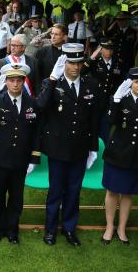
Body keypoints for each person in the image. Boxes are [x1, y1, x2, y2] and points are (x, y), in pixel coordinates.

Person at [36, 43, 101, 247]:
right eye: (71, 63)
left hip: (79, 148)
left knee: (74, 190)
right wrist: (53, 80)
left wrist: (93, 147)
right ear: (64, 62)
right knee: (56, 191)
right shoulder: (52, 83)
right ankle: (50, 229)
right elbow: (40, 106)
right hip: (57, 148)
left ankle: (70, 228)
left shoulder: (91, 85)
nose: (75, 67)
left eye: (79, 63)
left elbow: (93, 119)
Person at [0, 64, 41, 243]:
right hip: (0, 158)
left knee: (17, 198)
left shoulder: (31, 102)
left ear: (23, 81)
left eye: (19, 80)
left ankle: (12, 230)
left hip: (21, 158)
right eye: (12, 80)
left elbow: (36, 132)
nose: (16, 84)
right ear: (6, 82)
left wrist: (34, 157)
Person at [101, 68, 138, 245]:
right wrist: (115, 100)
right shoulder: (122, 100)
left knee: (128, 193)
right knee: (112, 191)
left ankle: (121, 227)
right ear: (130, 83)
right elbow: (110, 121)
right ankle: (109, 226)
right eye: (136, 81)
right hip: (117, 154)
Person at [85, 38, 122, 141]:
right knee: (93, 126)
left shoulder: (118, 63)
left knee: (106, 128)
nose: (109, 51)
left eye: (111, 49)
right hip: (95, 99)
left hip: (109, 101)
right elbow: (82, 71)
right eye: (106, 49)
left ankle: (104, 150)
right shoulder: (94, 61)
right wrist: (91, 57)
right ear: (100, 50)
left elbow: (120, 81)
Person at [34, 24, 67, 92]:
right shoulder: (42, 52)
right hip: (47, 90)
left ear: (64, 37)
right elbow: (37, 75)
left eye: (57, 34)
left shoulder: (70, 53)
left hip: (65, 91)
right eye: (52, 34)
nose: (53, 37)